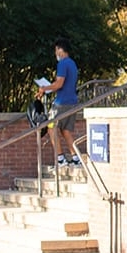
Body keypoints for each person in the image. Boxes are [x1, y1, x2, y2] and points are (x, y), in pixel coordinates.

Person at [36, 38, 81, 168]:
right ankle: (75, 157)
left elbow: (59, 83)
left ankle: (61, 158)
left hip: (61, 103)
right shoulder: (72, 63)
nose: (56, 53)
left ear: (61, 50)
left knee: (51, 127)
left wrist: (44, 88)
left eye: (56, 50)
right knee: (66, 130)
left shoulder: (62, 64)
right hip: (72, 101)